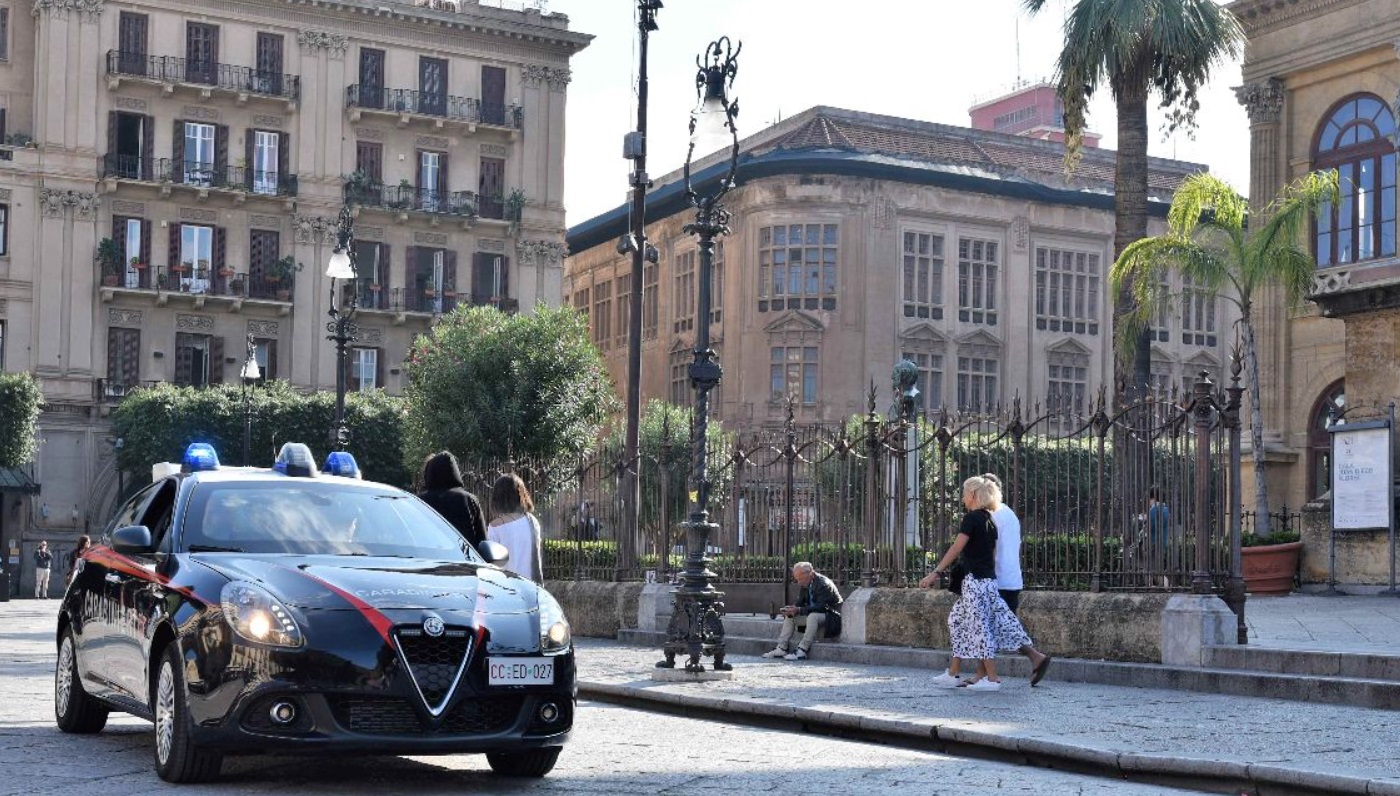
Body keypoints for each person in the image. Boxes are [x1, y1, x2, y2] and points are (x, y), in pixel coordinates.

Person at [918, 476, 1049, 691]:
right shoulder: (995, 517)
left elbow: (957, 549)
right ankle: (957, 673)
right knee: (960, 621)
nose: (962, 498)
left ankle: (991, 677)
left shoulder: (979, 518)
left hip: (988, 581)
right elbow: (991, 551)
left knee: (986, 627)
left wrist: (936, 572)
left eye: (964, 493)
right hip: (993, 579)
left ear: (973, 494)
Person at [955, 473, 1051, 687]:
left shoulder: (990, 516)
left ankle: (1033, 658)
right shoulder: (1008, 513)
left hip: (995, 580)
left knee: (987, 627)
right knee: (995, 627)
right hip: (1010, 578)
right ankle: (984, 675)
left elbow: (985, 550)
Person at [762, 562, 843, 661]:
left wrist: (799, 610)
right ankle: (781, 647)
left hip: (831, 618)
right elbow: (800, 602)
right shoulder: (806, 583)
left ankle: (802, 650)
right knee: (791, 616)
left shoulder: (823, 584)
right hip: (814, 615)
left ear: (810, 574)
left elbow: (822, 607)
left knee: (813, 616)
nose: (798, 582)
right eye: (797, 579)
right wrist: (792, 609)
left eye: (800, 579)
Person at [417, 451, 488, 549]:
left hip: (428, 558)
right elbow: (483, 541)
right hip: (464, 559)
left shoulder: (420, 502)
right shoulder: (468, 500)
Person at [487, 474, 543, 582]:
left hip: (507, 587)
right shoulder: (532, 521)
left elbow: (492, 566)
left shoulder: (495, 527)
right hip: (530, 586)